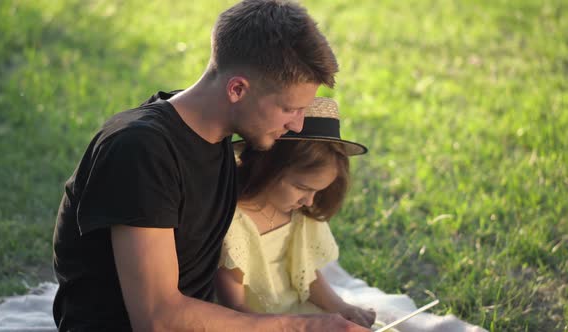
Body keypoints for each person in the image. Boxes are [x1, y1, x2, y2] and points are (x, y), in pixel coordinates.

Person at [52, 0, 372, 331]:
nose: (297, 125)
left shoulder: (217, 138)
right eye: (290, 109)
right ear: (237, 89)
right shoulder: (140, 151)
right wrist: (301, 327)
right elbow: (157, 318)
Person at [216, 97, 377, 329]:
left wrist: (342, 308)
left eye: (317, 191)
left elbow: (306, 275)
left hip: (296, 310)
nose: (309, 200)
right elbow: (235, 309)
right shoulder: (234, 224)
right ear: (268, 166)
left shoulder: (299, 213)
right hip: (256, 323)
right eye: (302, 188)